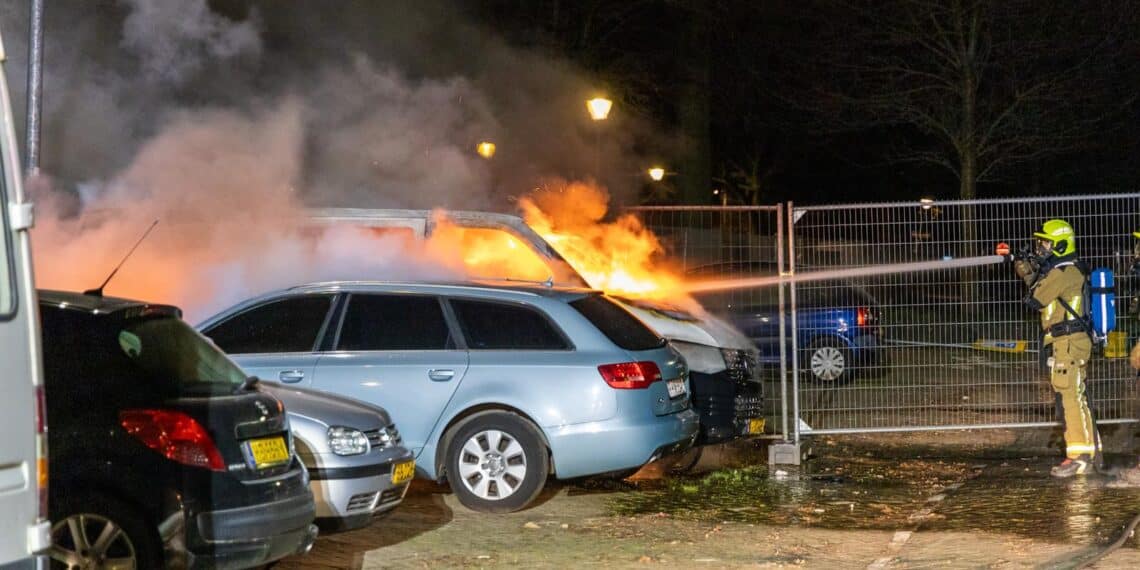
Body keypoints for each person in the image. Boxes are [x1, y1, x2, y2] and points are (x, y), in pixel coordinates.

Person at [1013, 219, 1099, 477]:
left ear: (1061, 245)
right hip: (1068, 340)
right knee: (1074, 394)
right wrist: (1031, 271)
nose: (1041, 248)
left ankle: (1080, 456)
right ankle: (1087, 450)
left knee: (1070, 395)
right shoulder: (1063, 271)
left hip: (1069, 342)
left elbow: (1036, 298)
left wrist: (1026, 270)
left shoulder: (1064, 271)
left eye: (1046, 243)